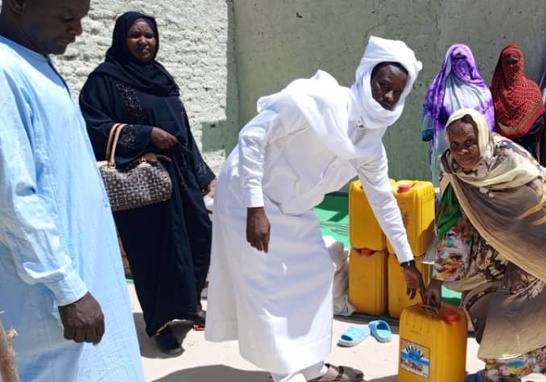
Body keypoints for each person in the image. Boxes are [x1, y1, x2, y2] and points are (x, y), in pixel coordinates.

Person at [206, 36, 426, 382]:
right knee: (268, 289)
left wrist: (406, 261)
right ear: (366, 75)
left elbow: (383, 199)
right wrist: (254, 207)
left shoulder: (370, 144)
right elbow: (251, 138)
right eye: (384, 85)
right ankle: (285, 374)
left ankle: (310, 366)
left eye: (398, 92)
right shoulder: (314, 100)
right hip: (248, 196)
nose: (388, 97)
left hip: (292, 208)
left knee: (318, 271)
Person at [0, 0, 144, 380]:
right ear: (18, 4)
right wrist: (67, 289)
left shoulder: (33, 61)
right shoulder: (4, 70)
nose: (78, 30)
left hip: (80, 274)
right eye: (67, 18)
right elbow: (13, 198)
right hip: (46, 296)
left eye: (81, 19)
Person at [78, 11, 214, 355]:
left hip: (180, 180)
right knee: (157, 255)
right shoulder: (104, 80)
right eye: (135, 36)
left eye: (149, 36)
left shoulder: (162, 79)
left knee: (199, 239)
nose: (144, 42)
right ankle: (161, 324)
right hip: (143, 185)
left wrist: (204, 176)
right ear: (122, 39)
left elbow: (184, 133)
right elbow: (92, 125)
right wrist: (143, 134)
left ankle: (188, 306)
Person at [423, 109, 546, 382]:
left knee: (521, 321)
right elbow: (455, 227)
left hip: (530, 260)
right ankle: (501, 376)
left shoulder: (514, 167)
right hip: (485, 262)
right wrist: (437, 281)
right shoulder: (456, 172)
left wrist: (519, 259)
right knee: (488, 320)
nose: (462, 151)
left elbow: (544, 217)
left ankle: (507, 376)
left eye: (470, 142)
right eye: (455, 145)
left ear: (482, 137)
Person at [422, 43, 495, 186]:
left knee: (475, 191)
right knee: (447, 188)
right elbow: (428, 127)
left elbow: (489, 127)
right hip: (445, 151)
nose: (460, 64)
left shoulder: (482, 91)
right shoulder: (436, 91)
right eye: (455, 60)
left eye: (464, 59)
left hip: (476, 153)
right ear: (448, 62)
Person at [491, 44, 546, 160]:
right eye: (507, 63)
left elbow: (539, 120)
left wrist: (521, 133)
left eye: (514, 62)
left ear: (520, 63)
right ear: (501, 65)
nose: (511, 66)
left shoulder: (532, 90)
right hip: (501, 152)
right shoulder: (494, 92)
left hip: (526, 150)